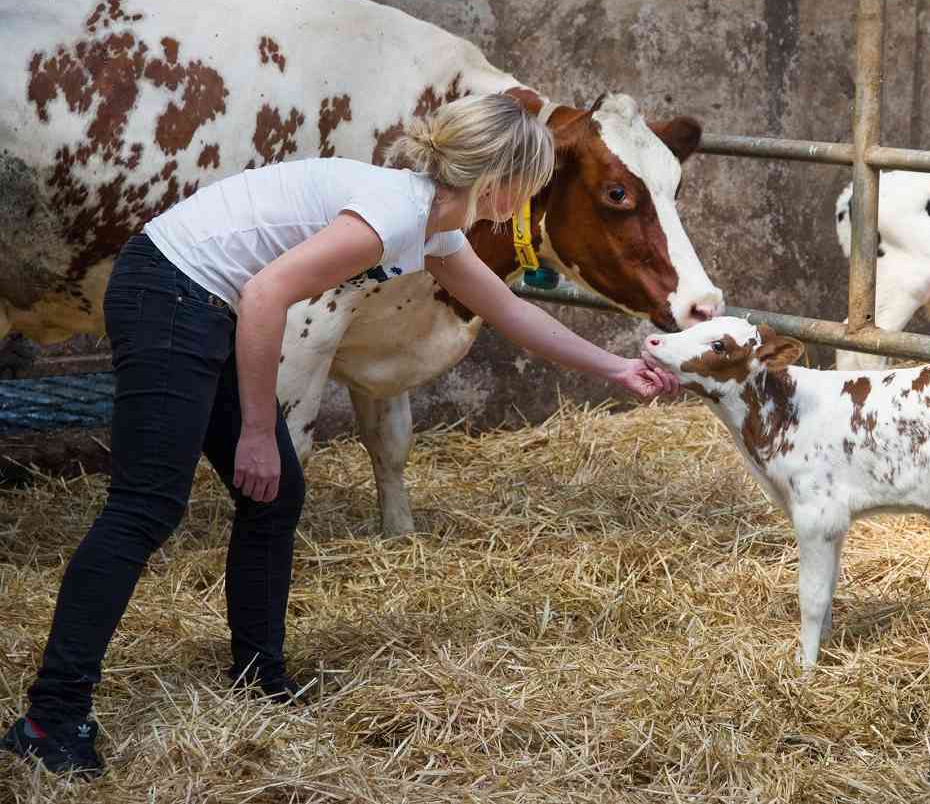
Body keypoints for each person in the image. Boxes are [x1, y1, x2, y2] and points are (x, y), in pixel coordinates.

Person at [1, 93, 678, 778]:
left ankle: (258, 678)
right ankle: (49, 718)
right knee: (146, 504)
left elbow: (508, 310)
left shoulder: (436, 226)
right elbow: (266, 295)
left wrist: (617, 368)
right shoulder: (395, 214)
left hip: (200, 299)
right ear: (502, 184)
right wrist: (257, 432)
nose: (530, 199)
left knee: (275, 496)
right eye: (531, 184)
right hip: (169, 290)